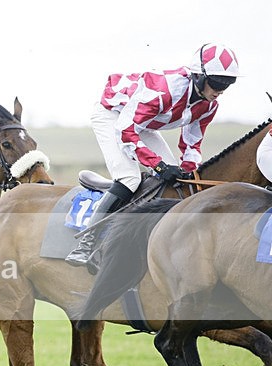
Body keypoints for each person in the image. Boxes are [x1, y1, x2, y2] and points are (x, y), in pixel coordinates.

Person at [66, 43, 240, 268]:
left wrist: (188, 170)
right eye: (217, 82)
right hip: (113, 116)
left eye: (228, 83)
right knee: (130, 178)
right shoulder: (163, 91)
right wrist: (158, 166)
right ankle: (86, 244)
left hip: (143, 124)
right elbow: (126, 131)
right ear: (199, 76)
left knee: (178, 182)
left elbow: (192, 145)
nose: (221, 89)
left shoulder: (208, 106)